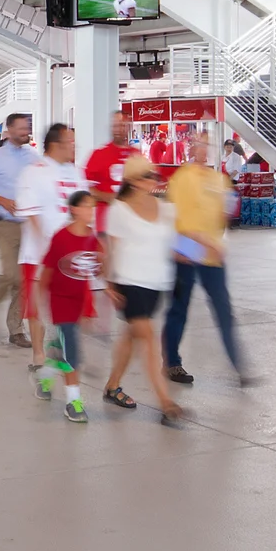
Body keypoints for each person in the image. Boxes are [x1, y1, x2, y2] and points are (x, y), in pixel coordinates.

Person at [99, 157, 186, 426]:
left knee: (131, 336)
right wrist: (109, 283)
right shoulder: (119, 210)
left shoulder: (164, 208)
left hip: (156, 284)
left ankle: (112, 386)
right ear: (134, 181)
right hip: (129, 282)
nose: (154, 179)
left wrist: (203, 254)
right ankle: (166, 403)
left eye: (154, 175)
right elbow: (109, 249)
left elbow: (175, 244)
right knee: (147, 339)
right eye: (148, 175)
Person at [162, 134, 243, 388]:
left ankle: (238, 364)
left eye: (206, 145)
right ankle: (171, 362)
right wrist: (205, 243)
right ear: (190, 148)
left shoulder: (217, 179)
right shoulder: (181, 179)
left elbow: (224, 210)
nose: (202, 149)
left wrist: (217, 237)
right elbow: (179, 221)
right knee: (179, 307)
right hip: (187, 248)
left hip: (210, 252)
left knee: (222, 308)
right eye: (197, 144)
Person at [16, 124, 85, 372]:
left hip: (71, 257)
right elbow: (31, 215)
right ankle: (38, 355)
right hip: (37, 255)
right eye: (71, 142)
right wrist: (49, 249)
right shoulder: (33, 172)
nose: (74, 146)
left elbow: (85, 212)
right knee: (36, 308)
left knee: (68, 311)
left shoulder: (76, 173)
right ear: (57, 144)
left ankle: (63, 351)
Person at [0, 113, 40, 347]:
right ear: (10, 129)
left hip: (28, 224)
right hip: (3, 223)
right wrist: (1, 200)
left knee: (24, 279)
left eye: (28, 128)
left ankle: (16, 330)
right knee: (9, 276)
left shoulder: (33, 157)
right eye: (22, 128)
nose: (26, 131)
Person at [40, 190, 100, 423]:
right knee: (72, 354)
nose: (90, 211)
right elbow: (47, 272)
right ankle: (73, 402)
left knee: (59, 349)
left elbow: (90, 272)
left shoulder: (92, 237)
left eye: (93, 207)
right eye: (86, 206)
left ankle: (44, 378)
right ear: (74, 209)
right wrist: (37, 303)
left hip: (78, 303)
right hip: (61, 303)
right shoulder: (61, 238)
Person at [83, 111, 134, 215]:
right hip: (105, 218)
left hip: (132, 218)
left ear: (128, 127)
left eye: (122, 125)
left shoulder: (136, 155)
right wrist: (110, 198)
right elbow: (85, 187)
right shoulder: (98, 154)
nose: (119, 129)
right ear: (111, 127)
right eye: (116, 125)